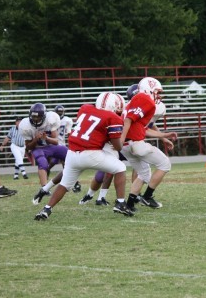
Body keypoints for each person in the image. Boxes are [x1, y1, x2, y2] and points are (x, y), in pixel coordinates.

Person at [35, 92, 133, 220]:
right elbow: (118, 147)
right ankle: (120, 203)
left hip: (72, 153)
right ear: (113, 106)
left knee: (65, 184)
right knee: (120, 167)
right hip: (91, 154)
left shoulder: (85, 109)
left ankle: (46, 210)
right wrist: (117, 141)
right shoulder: (112, 117)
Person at [121, 77, 178, 212]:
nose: (158, 95)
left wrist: (164, 136)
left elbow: (142, 128)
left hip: (125, 146)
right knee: (164, 164)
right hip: (135, 143)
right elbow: (129, 120)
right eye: (157, 92)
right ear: (149, 89)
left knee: (144, 173)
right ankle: (147, 196)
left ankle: (128, 205)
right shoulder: (145, 100)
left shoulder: (130, 105)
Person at [18, 103, 68, 204]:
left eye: (38, 117)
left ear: (44, 116)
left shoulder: (51, 119)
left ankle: (71, 181)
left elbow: (56, 141)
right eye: (34, 117)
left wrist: (46, 138)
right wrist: (35, 139)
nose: (36, 119)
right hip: (37, 148)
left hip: (50, 146)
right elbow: (28, 147)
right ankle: (45, 188)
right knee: (42, 162)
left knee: (69, 154)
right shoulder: (25, 125)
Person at [50, 104, 81, 193]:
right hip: (54, 145)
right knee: (49, 165)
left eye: (60, 112)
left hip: (61, 145)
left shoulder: (67, 120)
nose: (59, 114)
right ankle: (45, 186)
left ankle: (75, 184)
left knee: (66, 166)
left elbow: (69, 134)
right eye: (58, 112)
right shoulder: (52, 120)